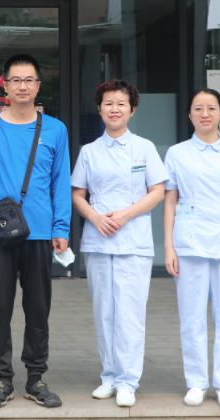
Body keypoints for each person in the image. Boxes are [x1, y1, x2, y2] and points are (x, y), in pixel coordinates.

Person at [0, 54, 72, 409]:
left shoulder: (55, 130)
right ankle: (2, 380)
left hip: (40, 233)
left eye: (29, 80)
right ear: (5, 85)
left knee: (38, 309)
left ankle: (36, 378)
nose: (22, 86)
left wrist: (61, 226)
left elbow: (61, 182)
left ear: (38, 86)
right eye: (16, 80)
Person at [70, 79, 166, 408]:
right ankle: (109, 376)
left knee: (130, 313)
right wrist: (95, 218)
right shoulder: (89, 151)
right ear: (99, 109)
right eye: (108, 103)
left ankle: (128, 381)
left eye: (121, 103)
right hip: (99, 241)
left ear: (132, 110)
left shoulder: (144, 148)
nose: (115, 109)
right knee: (104, 312)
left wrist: (124, 215)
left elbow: (157, 191)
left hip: (133, 241)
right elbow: (78, 194)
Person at [163, 88, 220, 410]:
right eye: (198, 108)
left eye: (211, 108)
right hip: (190, 244)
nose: (205, 114)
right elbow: (170, 201)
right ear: (189, 114)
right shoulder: (177, 153)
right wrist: (169, 246)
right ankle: (196, 382)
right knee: (192, 317)